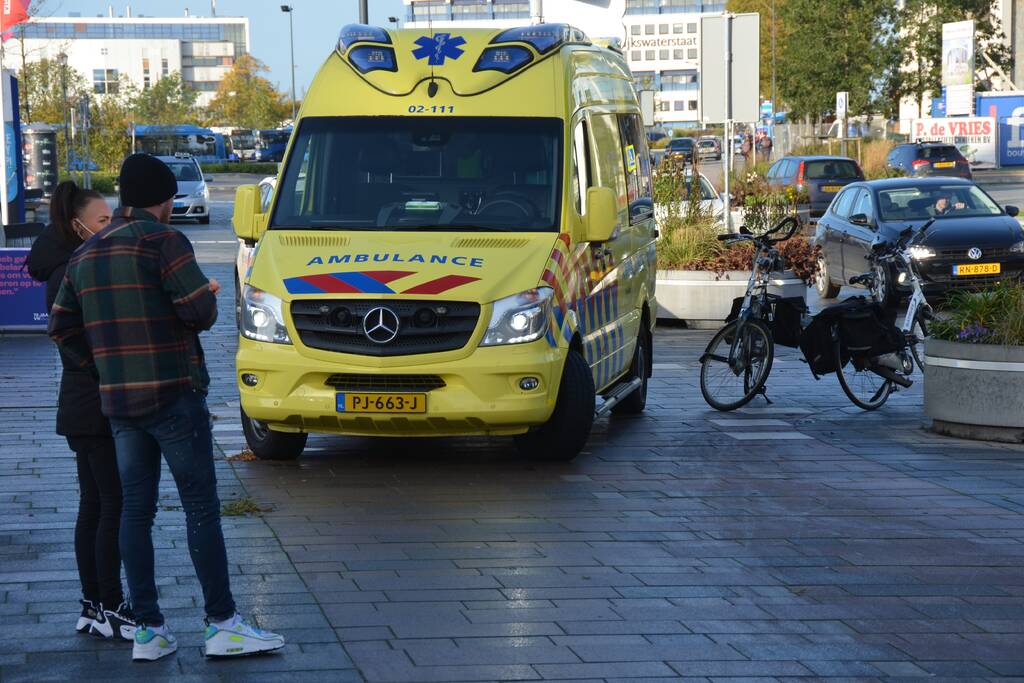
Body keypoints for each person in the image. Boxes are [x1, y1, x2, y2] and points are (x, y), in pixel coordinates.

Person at [49, 154, 284, 662]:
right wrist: (200, 300)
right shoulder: (165, 242)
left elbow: (62, 326)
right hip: (174, 396)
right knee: (200, 508)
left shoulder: (87, 254)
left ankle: (149, 631)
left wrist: (101, 367)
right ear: (164, 200)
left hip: (119, 405)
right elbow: (199, 312)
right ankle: (222, 624)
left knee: (136, 510)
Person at [26, 182, 136, 642]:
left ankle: (93, 604)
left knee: (94, 503)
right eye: (101, 221)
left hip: (79, 404)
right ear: (77, 225)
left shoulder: (66, 264)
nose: (109, 228)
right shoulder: (75, 270)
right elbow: (80, 340)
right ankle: (111, 605)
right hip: (93, 402)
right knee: (110, 504)